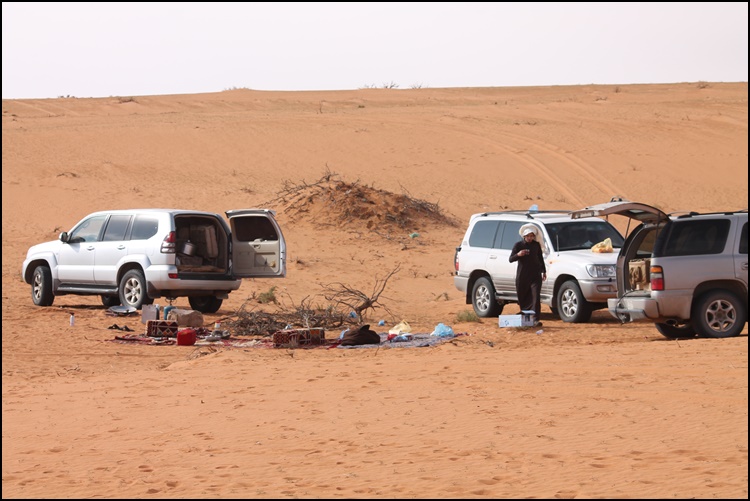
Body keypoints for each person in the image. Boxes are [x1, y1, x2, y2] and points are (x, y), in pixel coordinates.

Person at [509, 225, 547, 326]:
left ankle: (535, 319)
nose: (530, 238)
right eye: (528, 236)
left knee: (535, 297)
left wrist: (543, 271)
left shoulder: (536, 245)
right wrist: (519, 254)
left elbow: (540, 258)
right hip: (523, 276)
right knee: (523, 297)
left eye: (531, 236)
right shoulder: (518, 245)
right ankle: (526, 319)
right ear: (524, 236)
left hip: (535, 275)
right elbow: (511, 259)